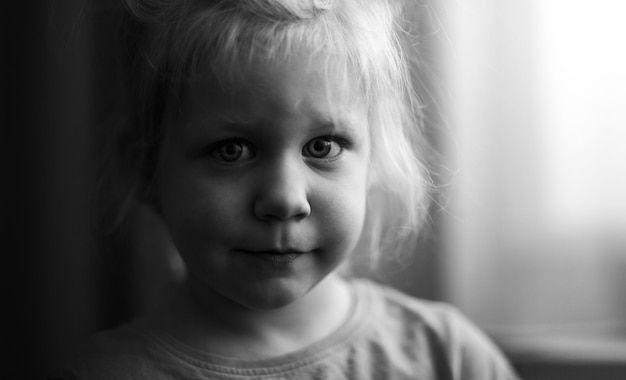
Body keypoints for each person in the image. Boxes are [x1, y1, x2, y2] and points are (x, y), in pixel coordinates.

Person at [51, 0, 519, 378]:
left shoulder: (449, 356)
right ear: (145, 167)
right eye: (232, 150)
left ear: (375, 160)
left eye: (323, 146)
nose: (285, 199)